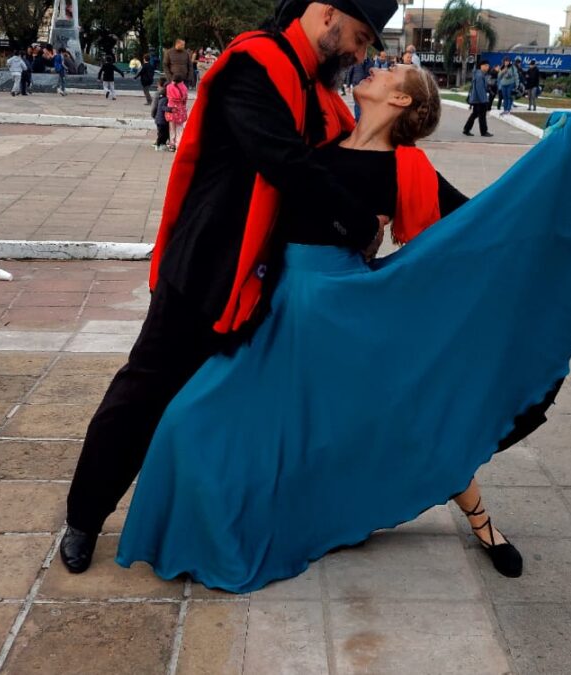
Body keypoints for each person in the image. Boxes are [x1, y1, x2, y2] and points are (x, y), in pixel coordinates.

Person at [115, 67, 571, 593]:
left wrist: (558, 161)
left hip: (347, 314)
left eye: (389, 72)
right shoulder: (320, 140)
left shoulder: (408, 167)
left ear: (401, 98)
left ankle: (485, 527)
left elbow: (482, 227)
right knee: (188, 419)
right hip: (280, 310)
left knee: (409, 423)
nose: (376, 68)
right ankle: (237, 526)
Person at [59, 0, 403, 574]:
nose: (360, 54)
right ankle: (84, 519)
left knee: (227, 409)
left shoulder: (317, 93)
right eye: (361, 38)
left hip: (267, 280)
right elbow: (285, 163)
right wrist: (362, 223)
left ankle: (223, 524)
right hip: (205, 270)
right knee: (142, 396)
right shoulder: (256, 66)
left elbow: (341, 166)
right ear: (326, 15)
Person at [463, 59, 492, 137]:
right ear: (482, 66)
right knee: (482, 115)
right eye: (486, 66)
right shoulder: (480, 75)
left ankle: (466, 129)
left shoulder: (480, 74)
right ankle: (484, 132)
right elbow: (480, 89)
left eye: (488, 66)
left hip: (476, 99)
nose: (487, 67)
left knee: (475, 114)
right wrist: (484, 100)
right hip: (479, 99)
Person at [164, 74, 189, 150]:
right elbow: (185, 99)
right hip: (180, 110)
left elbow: (168, 97)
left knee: (172, 128)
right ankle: (179, 144)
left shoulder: (169, 87)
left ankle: (172, 145)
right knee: (180, 128)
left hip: (171, 109)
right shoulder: (184, 87)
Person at [153, 78, 171, 151]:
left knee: (163, 133)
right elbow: (163, 107)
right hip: (162, 120)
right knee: (162, 134)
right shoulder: (165, 99)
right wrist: (170, 109)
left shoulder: (162, 98)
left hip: (160, 120)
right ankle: (159, 144)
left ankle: (161, 144)